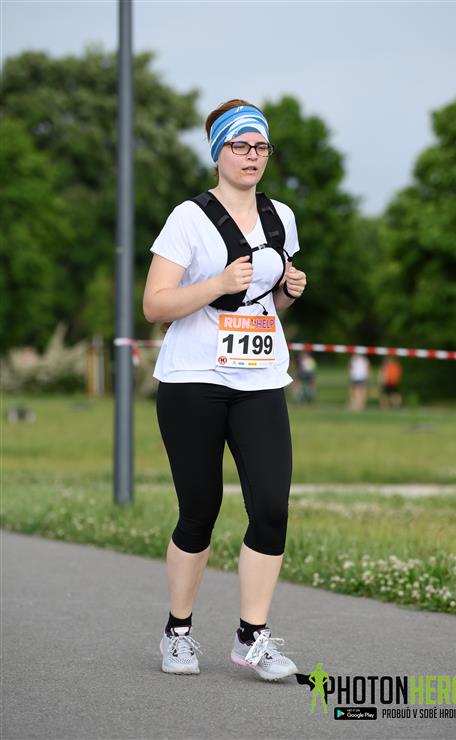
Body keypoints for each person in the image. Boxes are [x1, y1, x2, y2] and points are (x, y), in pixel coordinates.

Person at [143, 99, 307, 681]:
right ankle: (178, 632)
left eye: (261, 146)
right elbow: (155, 304)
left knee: (272, 507)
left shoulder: (282, 217)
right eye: (240, 146)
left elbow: (266, 305)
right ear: (218, 153)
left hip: (260, 377)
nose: (252, 156)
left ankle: (252, 637)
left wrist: (287, 291)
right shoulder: (188, 218)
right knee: (200, 509)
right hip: (194, 379)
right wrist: (215, 283)